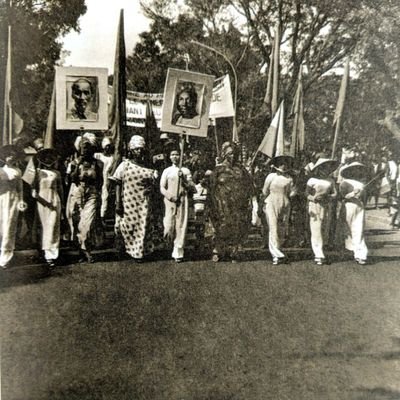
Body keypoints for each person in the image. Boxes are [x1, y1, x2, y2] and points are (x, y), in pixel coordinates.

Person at [112, 135, 158, 262]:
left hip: (143, 201)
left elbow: (155, 184)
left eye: (141, 149)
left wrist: (151, 188)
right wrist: (118, 203)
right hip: (128, 200)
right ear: (131, 150)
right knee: (126, 226)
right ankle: (126, 249)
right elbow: (118, 184)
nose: (139, 151)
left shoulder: (148, 166)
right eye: (136, 149)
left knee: (142, 225)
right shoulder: (124, 165)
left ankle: (139, 252)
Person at [208, 142, 254, 262]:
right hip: (221, 204)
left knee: (237, 227)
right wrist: (212, 204)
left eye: (234, 153)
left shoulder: (241, 170)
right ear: (224, 154)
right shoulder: (218, 170)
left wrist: (249, 201)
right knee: (221, 227)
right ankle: (218, 251)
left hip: (238, 205)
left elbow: (249, 186)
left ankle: (234, 252)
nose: (232, 156)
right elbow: (211, 188)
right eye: (230, 153)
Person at [66, 132, 103, 263]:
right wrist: (77, 165)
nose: (85, 149)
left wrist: (97, 194)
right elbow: (71, 179)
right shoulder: (74, 163)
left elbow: (100, 181)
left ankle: (87, 250)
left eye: (87, 146)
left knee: (87, 223)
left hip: (91, 193)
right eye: (82, 146)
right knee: (76, 222)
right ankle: (81, 250)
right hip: (76, 191)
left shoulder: (98, 163)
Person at [160, 148, 195, 262]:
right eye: (172, 154)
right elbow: (162, 187)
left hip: (182, 200)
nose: (175, 157)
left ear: (181, 156)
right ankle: (168, 246)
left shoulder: (185, 171)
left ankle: (178, 252)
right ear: (169, 157)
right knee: (168, 225)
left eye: (177, 154)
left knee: (180, 225)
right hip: (170, 201)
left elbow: (192, 187)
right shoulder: (167, 171)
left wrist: (183, 179)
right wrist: (170, 196)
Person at [32, 149, 63, 268]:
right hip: (41, 201)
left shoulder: (57, 173)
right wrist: (39, 198)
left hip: (54, 200)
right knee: (42, 226)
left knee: (53, 226)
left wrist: (62, 203)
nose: (48, 160)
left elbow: (60, 189)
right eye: (46, 158)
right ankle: (42, 251)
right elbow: (33, 189)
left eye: (51, 157)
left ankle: (52, 255)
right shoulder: (37, 172)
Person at [262, 156, 296, 265]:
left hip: (285, 203)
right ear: (277, 164)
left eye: (285, 163)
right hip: (271, 202)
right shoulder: (271, 176)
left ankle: (279, 249)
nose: (284, 165)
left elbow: (290, 193)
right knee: (273, 227)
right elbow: (264, 191)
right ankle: (275, 255)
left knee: (282, 228)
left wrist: (295, 191)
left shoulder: (289, 178)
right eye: (281, 163)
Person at [306, 159, 338, 265]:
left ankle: (321, 250)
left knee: (324, 228)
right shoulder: (312, 180)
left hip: (326, 205)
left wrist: (328, 197)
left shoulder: (330, 181)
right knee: (316, 229)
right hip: (315, 206)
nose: (325, 170)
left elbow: (335, 194)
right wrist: (313, 198)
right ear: (318, 169)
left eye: (327, 167)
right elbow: (306, 193)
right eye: (323, 167)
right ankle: (318, 254)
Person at [0, 145, 27, 268]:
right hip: (1, 199)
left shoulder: (18, 171)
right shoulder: (0, 170)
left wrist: (21, 201)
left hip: (13, 200)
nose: (10, 157)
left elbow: (20, 189)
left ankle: (5, 257)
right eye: (8, 155)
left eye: (12, 155)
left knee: (9, 227)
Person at [338, 162, 369, 265]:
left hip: (359, 207)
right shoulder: (345, 182)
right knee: (346, 229)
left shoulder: (362, 184)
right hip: (348, 206)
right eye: (354, 170)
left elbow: (365, 199)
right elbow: (341, 196)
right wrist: (353, 193)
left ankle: (361, 254)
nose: (356, 172)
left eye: (358, 170)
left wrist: (361, 196)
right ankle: (349, 249)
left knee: (358, 229)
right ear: (349, 171)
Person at [94, 136, 115, 221]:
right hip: (99, 177)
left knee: (105, 197)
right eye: (106, 145)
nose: (107, 148)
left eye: (109, 146)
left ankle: (103, 216)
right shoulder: (98, 155)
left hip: (107, 178)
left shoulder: (112, 158)